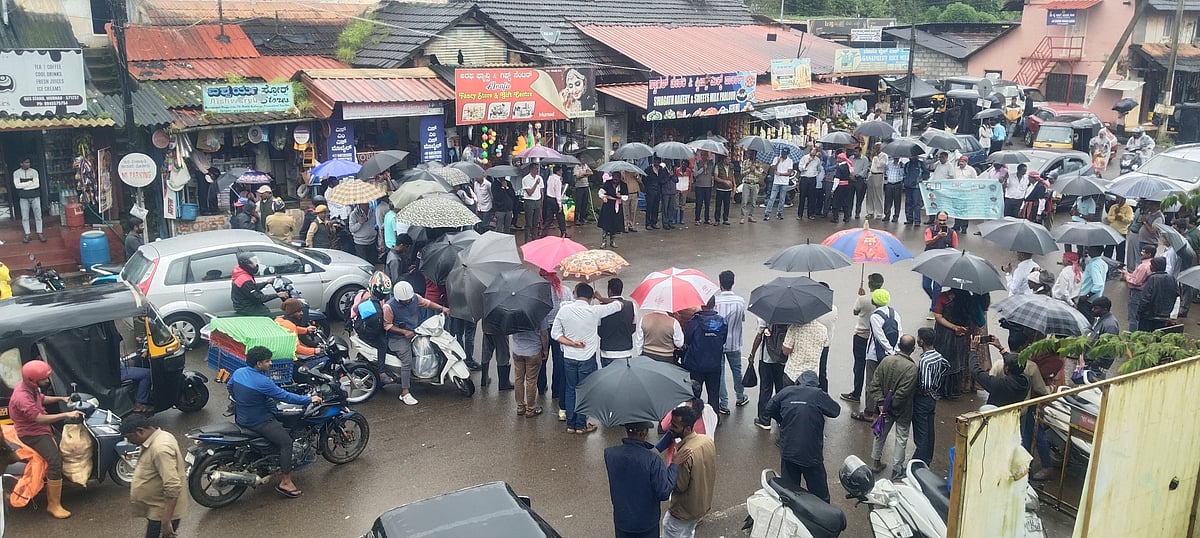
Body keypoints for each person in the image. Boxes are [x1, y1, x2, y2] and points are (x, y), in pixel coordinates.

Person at [228, 346, 321, 498]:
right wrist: (309, 399)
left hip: (241, 417)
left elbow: (230, 387)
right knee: (286, 443)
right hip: (259, 421)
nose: (270, 363)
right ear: (258, 364)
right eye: (267, 361)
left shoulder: (239, 372)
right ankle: (286, 482)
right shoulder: (263, 382)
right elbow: (285, 397)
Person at [10, 360, 82, 518]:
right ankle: (54, 505)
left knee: (64, 447)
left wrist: (61, 398)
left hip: (41, 429)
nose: (47, 381)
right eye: (44, 379)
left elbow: (41, 399)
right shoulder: (22, 397)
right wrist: (66, 414)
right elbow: (39, 418)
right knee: (55, 461)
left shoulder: (30, 387)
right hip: (32, 434)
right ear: (32, 380)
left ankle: (60, 482)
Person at [551, 283, 625, 434]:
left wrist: (572, 343)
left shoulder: (564, 310)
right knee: (584, 391)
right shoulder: (595, 311)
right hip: (587, 359)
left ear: (575, 294)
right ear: (591, 297)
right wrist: (601, 298)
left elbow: (555, 334)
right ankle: (581, 425)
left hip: (569, 357)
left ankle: (571, 424)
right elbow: (619, 305)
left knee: (570, 389)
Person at [764, 370, 840, 502]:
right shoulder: (818, 394)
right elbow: (835, 411)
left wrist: (783, 420)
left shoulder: (786, 391)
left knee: (789, 493)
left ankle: (791, 513)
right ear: (816, 384)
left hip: (788, 451)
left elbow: (769, 408)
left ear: (798, 381)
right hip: (811, 454)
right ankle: (820, 513)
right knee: (820, 496)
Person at [605, 422, 687, 538]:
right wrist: (674, 464)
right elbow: (664, 492)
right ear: (643, 432)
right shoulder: (653, 459)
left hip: (622, 520)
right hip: (646, 523)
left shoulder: (609, 453)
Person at [121, 415, 188, 538]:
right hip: (157, 509)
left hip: (162, 512)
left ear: (140, 431)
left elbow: (172, 486)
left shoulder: (160, 449)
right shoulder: (159, 437)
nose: (129, 441)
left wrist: (166, 521)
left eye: (129, 437)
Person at [385, 281, 450, 404]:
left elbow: (427, 303)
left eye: (409, 300)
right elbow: (387, 325)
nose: (408, 302)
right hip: (397, 338)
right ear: (398, 299)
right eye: (405, 301)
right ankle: (405, 392)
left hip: (415, 332)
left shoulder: (414, 298)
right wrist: (404, 332)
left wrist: (442, 308)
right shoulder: (389, 307)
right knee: (407, 361)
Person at [661, 405, 717, 538]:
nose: (671, 428)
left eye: (675, 426)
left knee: (670, 529)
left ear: (687, 428)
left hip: (683, 510)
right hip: (701, 505)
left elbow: (679, 486)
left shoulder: (684, 454)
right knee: (688, 533)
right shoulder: (707, 440)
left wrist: (673, 465)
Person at [868, 334, 918, 479]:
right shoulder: (912, 369)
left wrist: (882, 404)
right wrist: (890, 405)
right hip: (903, 410)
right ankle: (897, 469)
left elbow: (874, 384)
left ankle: (875, 462)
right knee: (901, 438)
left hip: (884, 408)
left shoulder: (886, 360)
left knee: (880, 433)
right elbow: (903, 393)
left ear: (899, 345)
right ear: (913, 349)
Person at [853, 289, 902, 422]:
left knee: (871, 383)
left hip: (874, 355)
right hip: (890, 355)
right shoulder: (894, 313)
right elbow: (899, 332)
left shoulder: (875, 316)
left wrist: (888, 349)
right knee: (884, 382)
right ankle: (880, 409)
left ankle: (869, 412)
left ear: (874, 301)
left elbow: (879, 336)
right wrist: (894, 350)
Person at [842, 273, 884, 406]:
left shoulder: (863, 299)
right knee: (874, 367)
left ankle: (856, 393)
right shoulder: (884, 298)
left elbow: (855, 312)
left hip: (861, 335)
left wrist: (860, 296)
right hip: (875, 337)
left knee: (859, 365)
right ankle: (875, 397)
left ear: (869, 284)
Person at [682, 297, 728, 409]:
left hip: (695, 364)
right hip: (714, 364)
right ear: (713, 305)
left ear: (702, 305)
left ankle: (694, 417)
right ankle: (714, 416)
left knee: (694, 395)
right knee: (714, 394)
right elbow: (723, 340)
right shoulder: (722, 322)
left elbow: (688, 340)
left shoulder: (694, 322)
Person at [912, 328, 949, 465]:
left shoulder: (925, 361)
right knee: (929, 430)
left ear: (922, 341)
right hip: (933, 397)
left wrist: (922, 389)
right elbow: (946, 366)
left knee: (921, 432)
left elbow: (925, 384)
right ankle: (927, 459)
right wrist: (937, 381)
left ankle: (917, 462)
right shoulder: (938, 356)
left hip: (923, 398)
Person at [713, 270, 748, 412]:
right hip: (734, 343)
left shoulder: (715, 302)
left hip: (718, 344)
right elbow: (742, 319)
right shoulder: (740, 301)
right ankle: (740, 396)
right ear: (733, 283)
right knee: (737, 371)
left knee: (720, 373)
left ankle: (724, 403)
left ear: (720, 284)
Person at [511, 307, 550, 417]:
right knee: (531, 381)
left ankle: (520, 406)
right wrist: (545, 349)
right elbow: (544, 334)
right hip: (533, 351)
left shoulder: (513, 312)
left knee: (518, 379)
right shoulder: (539, 312)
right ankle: (530, 409)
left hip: (517, 350)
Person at [973, 336, 1031, 407]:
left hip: (998, 412)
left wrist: (973, 350)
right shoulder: (1026, 381)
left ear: (1006, 368)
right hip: (1015, 411)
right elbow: (1012, 361)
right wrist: (1000, 348)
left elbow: (975, 370)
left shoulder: (998, 384)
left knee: (985, 408)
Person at [923, 212, 958, 318]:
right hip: (929, 261)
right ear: (936, 219)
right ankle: (937, 300)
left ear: (947, 220)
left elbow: (954, 248)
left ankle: (933, 309)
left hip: (943, 263)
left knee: (937, 288)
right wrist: (937, 237)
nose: (942, 222)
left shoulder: (952, 233)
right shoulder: (930, 230)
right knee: (926, 285)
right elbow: (927, 242)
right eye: (940, 220)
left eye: (944, 220)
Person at [598, 278, 637, 367]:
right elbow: (633, 327)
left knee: (607, 376)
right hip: (625, 351)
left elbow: (599, 330)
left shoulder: (601, 307)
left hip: (607, 352)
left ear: (609, 291)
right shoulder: (632, 305)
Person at [1138, 256, 1178, 331]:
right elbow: (1176, 296)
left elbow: (1145, 298)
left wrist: (1139, 312)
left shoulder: (1152, 279)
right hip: (1165, 316)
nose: (1150, 266)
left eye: (1151, 265)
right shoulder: (1172, 279)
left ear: (1155, 267)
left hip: (1149, 317)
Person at [14, 158, 46, 243]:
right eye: (26, 162)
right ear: (21, 163)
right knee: (25, 216)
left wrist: (23, 185)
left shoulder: (34, 172)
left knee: (38, 215)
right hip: (23, 197)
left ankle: (40, 233)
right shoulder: (16, 173)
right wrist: (30, 182)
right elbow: (17, 186)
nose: (28, 164)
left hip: (35, 196)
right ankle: (27, 234)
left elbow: (37, 184)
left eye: (29, 162)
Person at [1076, 246, 1109, 321]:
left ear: (1095, 251)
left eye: (1090, 249)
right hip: (1096, 298)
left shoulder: (1093, 265)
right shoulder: (1103, 263)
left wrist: (1087, 295)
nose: (1088, 250)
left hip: (1087, 300)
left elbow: (1098, 284)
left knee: (1084, 321)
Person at [598, 172, 628, 248]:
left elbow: (626, 196)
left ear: (619, 178)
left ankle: (612, 241)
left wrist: (620, 196)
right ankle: (604, 241)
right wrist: (603, 197)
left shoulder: (623, 185)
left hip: (617, 205)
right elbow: (601, 192)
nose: (615, 179)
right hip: (608, 205)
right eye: (614, 177)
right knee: (605, 223)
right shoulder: (608, 183)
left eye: (617, 177)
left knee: (615, 223)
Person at [762, 150, 794, 221]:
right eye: (782, 153)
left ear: (787, 154)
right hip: (776, 182)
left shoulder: (790, 161)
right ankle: (767, 214)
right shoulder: (776, 158)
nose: (783, 155)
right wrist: (778, 162)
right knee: (772, 198)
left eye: (785, 154)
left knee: (782, 199)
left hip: (784, 182)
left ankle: (779, 213)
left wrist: (780, 174)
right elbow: (772, 168)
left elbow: (789, 172)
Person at [1103, 196, 1134, 264]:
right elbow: (1108, 217)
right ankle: (1106, 263)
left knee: (1120, 251)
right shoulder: (1113, 207)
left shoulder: (1128, 208)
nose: (1117, 200)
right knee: (1108, 249)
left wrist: (1121, 216)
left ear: (1123, 199)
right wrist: (1115, 217)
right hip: (1112, 230)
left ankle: (1119, 265)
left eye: (1119, 198)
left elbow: (1129, 220)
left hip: (1121, 232)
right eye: (1117, 198)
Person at [796, 146, 823, 220]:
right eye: (812, 151)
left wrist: (815, 173)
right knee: (802, 197)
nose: (814, 153)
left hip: (812, 179)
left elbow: (819, 169)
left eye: (815, 151)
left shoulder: (817, 160)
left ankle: (810, 214)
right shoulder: (804, 158)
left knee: (812, 197)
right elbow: (800, 168)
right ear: (810, 151)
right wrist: (808, 162)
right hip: (804, 178)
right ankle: (800, 215)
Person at [829, 150, 856, 223]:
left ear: (841, 159)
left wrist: (833, 189)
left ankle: (835, 218)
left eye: (838, 158)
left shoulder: (839, 167)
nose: (837, 159)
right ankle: (846, 217)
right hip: (847, 186)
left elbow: (837, 179)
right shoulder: (848, 165)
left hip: (840, 187)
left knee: (836, 202)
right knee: (846, 202)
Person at [542, 166, 569, 238]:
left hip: (549, 197)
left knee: (549, 217)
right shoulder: (557, 180)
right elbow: (557, 192)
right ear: (557, 172)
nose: (562, 172)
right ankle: (563, 232)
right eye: (560, 171)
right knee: (560, 217)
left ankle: (544, 232)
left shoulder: (550, 177)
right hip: (554, 199)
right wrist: (559, 204)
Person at [521, 163, 544, 241]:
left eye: (537, 169)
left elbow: (541, 190)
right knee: (529, 223)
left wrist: (541, 201)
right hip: (529, 201)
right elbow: (529, 193)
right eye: (535, 169)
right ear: (531, 169)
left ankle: (534, 239)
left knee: (536, 222)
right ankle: (526, 240)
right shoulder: (525, 179)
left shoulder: (539, 178)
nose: (537, 170)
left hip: (537, 201)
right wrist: (536, 184)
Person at [740, 151, 764, 224]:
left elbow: (760, 174)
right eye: (751, 154)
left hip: (755, 184)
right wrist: (749, 170)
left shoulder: (759, 163)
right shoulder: (745, 162)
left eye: (754, 154)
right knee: (744, 201)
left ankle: (751, 216)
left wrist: (754, 170)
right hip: (746, 184)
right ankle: (742, 217)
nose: (752, 155)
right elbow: (742, 173)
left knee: (753, 202)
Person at [866, 143, 888, 220]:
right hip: (871, 174)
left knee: (878, 194)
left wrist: (875, 157)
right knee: (869, 194)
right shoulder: (873, 156)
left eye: (876, 147)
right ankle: (870, 212)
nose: (875, 149)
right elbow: (872, 166)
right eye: (874, 147)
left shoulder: (884, 156)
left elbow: (880, 165)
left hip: (878, 175)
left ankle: (879, 213)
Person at [644, 158, 667, 229]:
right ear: (653, 162)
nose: (657, 163)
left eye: (658, 162)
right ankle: (648, 223)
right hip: (650, 191)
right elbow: (644, 180)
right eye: (656, 162)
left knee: (656, 207)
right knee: (649, 208)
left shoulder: (661, 169)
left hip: (658, 191)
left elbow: (662, 179)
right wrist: (647, 189)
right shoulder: (648, 169)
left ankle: (654, 222)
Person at [692, 153, 714, 224]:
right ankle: (697, 219)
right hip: (699, 186)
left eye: (706, 155)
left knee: (707, 204)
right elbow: (695, 174)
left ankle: (707, 219)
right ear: (701, 156)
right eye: (703, 155)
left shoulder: (711, 163)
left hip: (708, 186)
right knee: (699, 203)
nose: (704, 157)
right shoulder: (697, 163)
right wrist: (702, 169)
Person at [850, 146, 871, 219]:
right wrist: (851, 175)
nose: (854, 153)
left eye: (856, 152)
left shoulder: (865, 159)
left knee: (859, 197)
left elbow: (865, 170)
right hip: (851, 179)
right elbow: (849, 166)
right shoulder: (851, 158)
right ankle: (848, 212)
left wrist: (856, 176)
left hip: (859, 180)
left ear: (860, 152)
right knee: (850, 197)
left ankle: (857, 213)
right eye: (854, 151)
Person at [713, 154, 734, 225]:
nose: (729, 161)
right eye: (728, 159)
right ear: (724, 160)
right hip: (720, 188)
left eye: (730, 159)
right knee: (718, 205)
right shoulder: (718, 166)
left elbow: (732, 175)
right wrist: (724, 181)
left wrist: (734, 185)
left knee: (727, 205)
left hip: (728, 189)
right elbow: (716, 177)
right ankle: (717, 220)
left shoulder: (731, 166)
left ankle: (725, 219)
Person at [883, 157, 905, 223]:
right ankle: (887, 215)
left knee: (897, 201)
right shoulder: (889, 164)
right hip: (889, 184)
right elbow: (885, 172)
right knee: (887, 201)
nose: (896, 159)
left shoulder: (901, 165)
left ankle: (896, 216)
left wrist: (901, 167)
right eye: (895, 158)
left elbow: (902, 174)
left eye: (897, 158)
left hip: (897, 184)